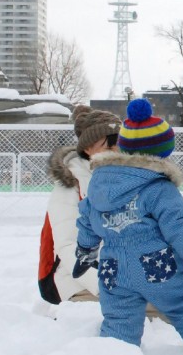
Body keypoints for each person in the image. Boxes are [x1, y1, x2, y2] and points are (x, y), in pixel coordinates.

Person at [74, 98, 183, 355]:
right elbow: (178, 227)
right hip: (157, 266)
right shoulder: (159, 188)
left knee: (119, 317)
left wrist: (86, 251)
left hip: (114, 268)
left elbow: (87, 217)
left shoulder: (98, 182)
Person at [38, 105, 121, 305]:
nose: (116, 152)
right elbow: (67, 245)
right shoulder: (71, 183)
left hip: (121, 271)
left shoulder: (123, 178)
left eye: (120, 145)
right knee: (132, 311)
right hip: (75, 276)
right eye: (108, 147)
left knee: (170, 308)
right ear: (87, 148)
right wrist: (104, 284)